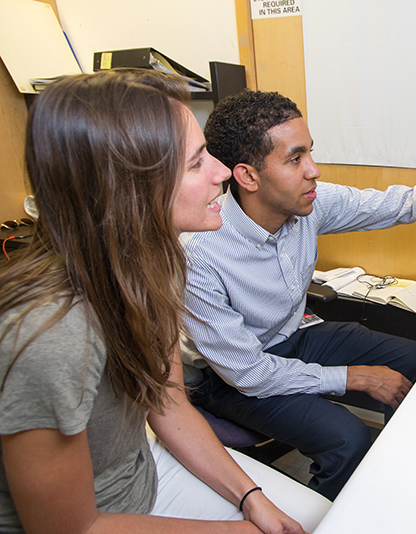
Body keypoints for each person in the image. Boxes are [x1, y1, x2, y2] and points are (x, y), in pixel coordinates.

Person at [181, 89, 416, 499]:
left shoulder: (309, 204)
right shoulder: (199, 253)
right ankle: (329, 516)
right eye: (296, 159)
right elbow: (250, 374)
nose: (314, 170)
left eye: (310, 153)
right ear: (248, 176)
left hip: (290, 338)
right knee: (347, 439)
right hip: (229, 376)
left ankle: (412, 472)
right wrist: (358, 378)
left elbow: (398, 203)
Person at [0, 72, 330, 534]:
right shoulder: (51, 335)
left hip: (143, 473)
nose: (222, 173)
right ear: (128, 189)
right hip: (92, 519)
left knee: (321, 521)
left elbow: (168, 403)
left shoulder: (156, 263)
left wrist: (251, 499)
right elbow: (69, 528)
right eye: (197, 163)